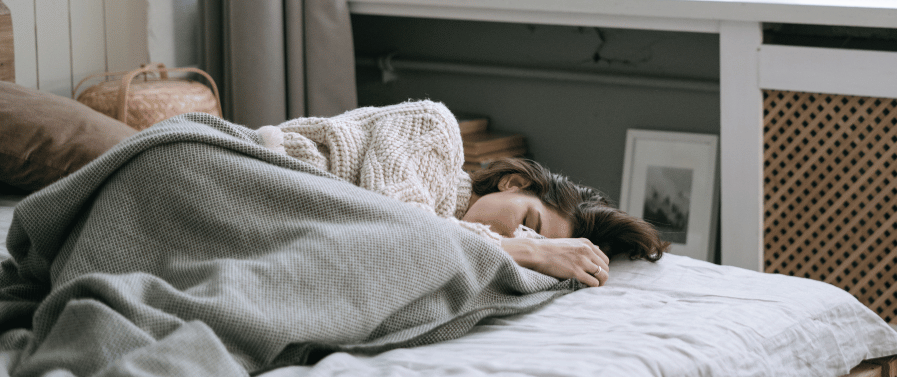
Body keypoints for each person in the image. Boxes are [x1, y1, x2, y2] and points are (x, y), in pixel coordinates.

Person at [256, 100, 666, 287]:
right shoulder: (433, 128)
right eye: (528, 224)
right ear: (514, 184)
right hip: (260, 171)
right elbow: (401, 229)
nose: (519, 242)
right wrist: (535, 253)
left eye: (535, 242)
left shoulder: (467, 249)